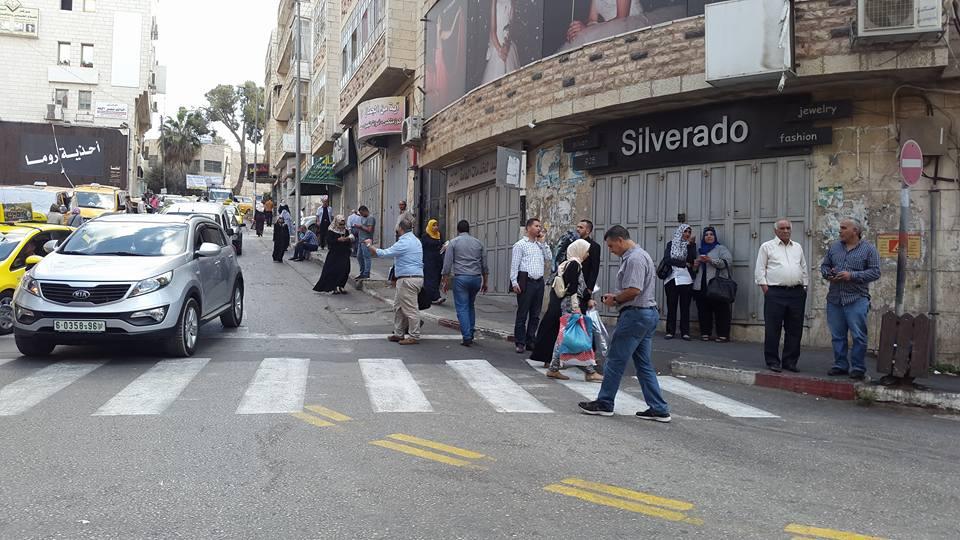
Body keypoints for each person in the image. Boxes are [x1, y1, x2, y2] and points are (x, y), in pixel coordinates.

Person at [578, 226, 670, 422]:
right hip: (646, 314)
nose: (611, 250)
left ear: (620, 240)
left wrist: (616, 299)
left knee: (614, 359)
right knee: (643, 364)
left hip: (635, 315)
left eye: (611, 246)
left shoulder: (635, 259)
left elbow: (634, 290)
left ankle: (605, 402)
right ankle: (658, 407)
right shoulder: (640, 255)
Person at [820, 218, 881, 380]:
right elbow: (825, 266)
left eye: (843, 228)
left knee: (858, 335)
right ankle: (840, 365)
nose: (840, 230)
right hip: (835, 298)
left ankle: (858, 368)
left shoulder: (869, 249)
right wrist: (829, 274)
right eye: (840, 227)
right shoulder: (834, 247)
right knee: (837, 335)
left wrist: (852, 275)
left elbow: (875, 272)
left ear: (855, 231)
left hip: (857, 298)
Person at [543, 239, 603, 382]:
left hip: (569, 304)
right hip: (572, 304)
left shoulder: (570, 263)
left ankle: (554, 368)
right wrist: (578, 305)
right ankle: (589, 371)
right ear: (579, 250)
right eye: (586, 250)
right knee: (579, 335)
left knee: (566, 336)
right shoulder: (574, 265)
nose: (588, 254)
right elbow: (572, 288)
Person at [755, 219, 809, 373]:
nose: (785, 231)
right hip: (775, 293)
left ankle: (790, 362)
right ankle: (772, 361)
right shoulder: (767, 247)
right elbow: (760, 269)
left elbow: (803, 267)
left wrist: (804, 286)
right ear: (775, 231)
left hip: (796, 293)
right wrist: (766, 289)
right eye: (782, 228)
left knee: (795, 329)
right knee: (773, 328)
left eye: (788, 228)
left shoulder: (797, 247)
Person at [367, 216, 423, 345]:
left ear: (401, 229)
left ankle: (414, 335)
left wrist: (370, 246)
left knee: (410, 309)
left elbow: (384, 253)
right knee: (398, 306)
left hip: (408, 279)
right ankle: (399, 333)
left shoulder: (404, 242)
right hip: (411, 278)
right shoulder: (415, 240)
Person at [441, 220, 488, 346]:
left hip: (461, 278)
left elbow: (447, 264)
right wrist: (485, 282)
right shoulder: (478, 243)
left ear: (458, 230)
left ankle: (466, 336)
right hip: (476, 278)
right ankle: (471, 332)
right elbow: (484, 265)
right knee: (470, 305)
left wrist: (445, 281)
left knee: (462, 307)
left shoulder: (453, 243)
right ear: (469, 229)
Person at [510, 218, 552, 354]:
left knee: (535, 314)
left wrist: (543, 242)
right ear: (528, 228)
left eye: (540, 226)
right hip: (526, 282)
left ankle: (530, 340)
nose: (539, 228)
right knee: (522, 313)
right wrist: (514, 282)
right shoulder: (520, 245)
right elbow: (515, 264)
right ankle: (520, 342)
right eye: (536, 226)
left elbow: (549, 257)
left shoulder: (540, 245)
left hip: (539, 282)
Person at [692, 227, 734, 342]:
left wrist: (710, 260)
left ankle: (723, 335)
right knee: (703, 310)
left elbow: (728, 262)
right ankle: (705, 333)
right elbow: (694, 270)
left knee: (721, 310)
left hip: (716, 285)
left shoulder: (721, 248)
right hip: (701, 285)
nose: (709, 236)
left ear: (715, 237)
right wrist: (696, 264)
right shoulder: (700, 250)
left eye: (711, 234)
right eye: (706, 235)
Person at [661, 224, 696, 340]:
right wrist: (683, 263)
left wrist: (691, 245)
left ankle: (685, 332)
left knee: (685, 307)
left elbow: (692, 260)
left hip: (686, 279)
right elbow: (667, 259)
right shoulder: (671, 244)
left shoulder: (690, 245)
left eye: (689, 232)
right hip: (672, 278)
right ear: (680, 232)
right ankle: (670, 331)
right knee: (671, 306)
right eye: (685, 231)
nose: (687, 234)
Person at [480, 0, 520, 85]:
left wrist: (507, 45)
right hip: (497, 46)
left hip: (507, 46)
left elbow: (511, 26)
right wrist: (500, 50)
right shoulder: (494, 2)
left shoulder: (511, 2)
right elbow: (492, 30)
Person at [314, 215, 354, 295]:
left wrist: (347, 239)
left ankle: (341, 286)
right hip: (334, 253)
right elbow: (329, 241)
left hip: (344, 253)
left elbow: (349, 241)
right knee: (334, 270)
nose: (342, 226)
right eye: (340, 224)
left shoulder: (345, 231)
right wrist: (337, 240)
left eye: (343, 224)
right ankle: (334, 287)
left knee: (345, 269)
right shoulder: (331, 231)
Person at [421, 219, 445, 304]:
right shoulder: (425, 236)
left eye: (437, 225)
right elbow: (422, 248)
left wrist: (445, 246)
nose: (436, 227)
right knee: (431, 279)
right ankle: (436, 297)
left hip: (438, 260)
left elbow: (442, 244)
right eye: (434, 225)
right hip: (429, 260)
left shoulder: (439, 235)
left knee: (437, 278)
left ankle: (430, 297)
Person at [577, 219, 602, 292]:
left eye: (581, 227)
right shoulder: (572, 243)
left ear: (588, 231)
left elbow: (594, 269)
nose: (577, 229)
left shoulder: (594, 246)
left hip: (584, 284)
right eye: (577, 227)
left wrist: (590, 288)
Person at [355, 206, 376, 279]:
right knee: (359, 256)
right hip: (361, 240)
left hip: (367, 240)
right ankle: (362, 272)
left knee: (366, 257)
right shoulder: (362, 217)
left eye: (362, 213)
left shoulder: (370, 218)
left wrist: (361, 227)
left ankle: (366, 273)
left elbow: (369, 230)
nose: (361, 215)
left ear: (365, 211)